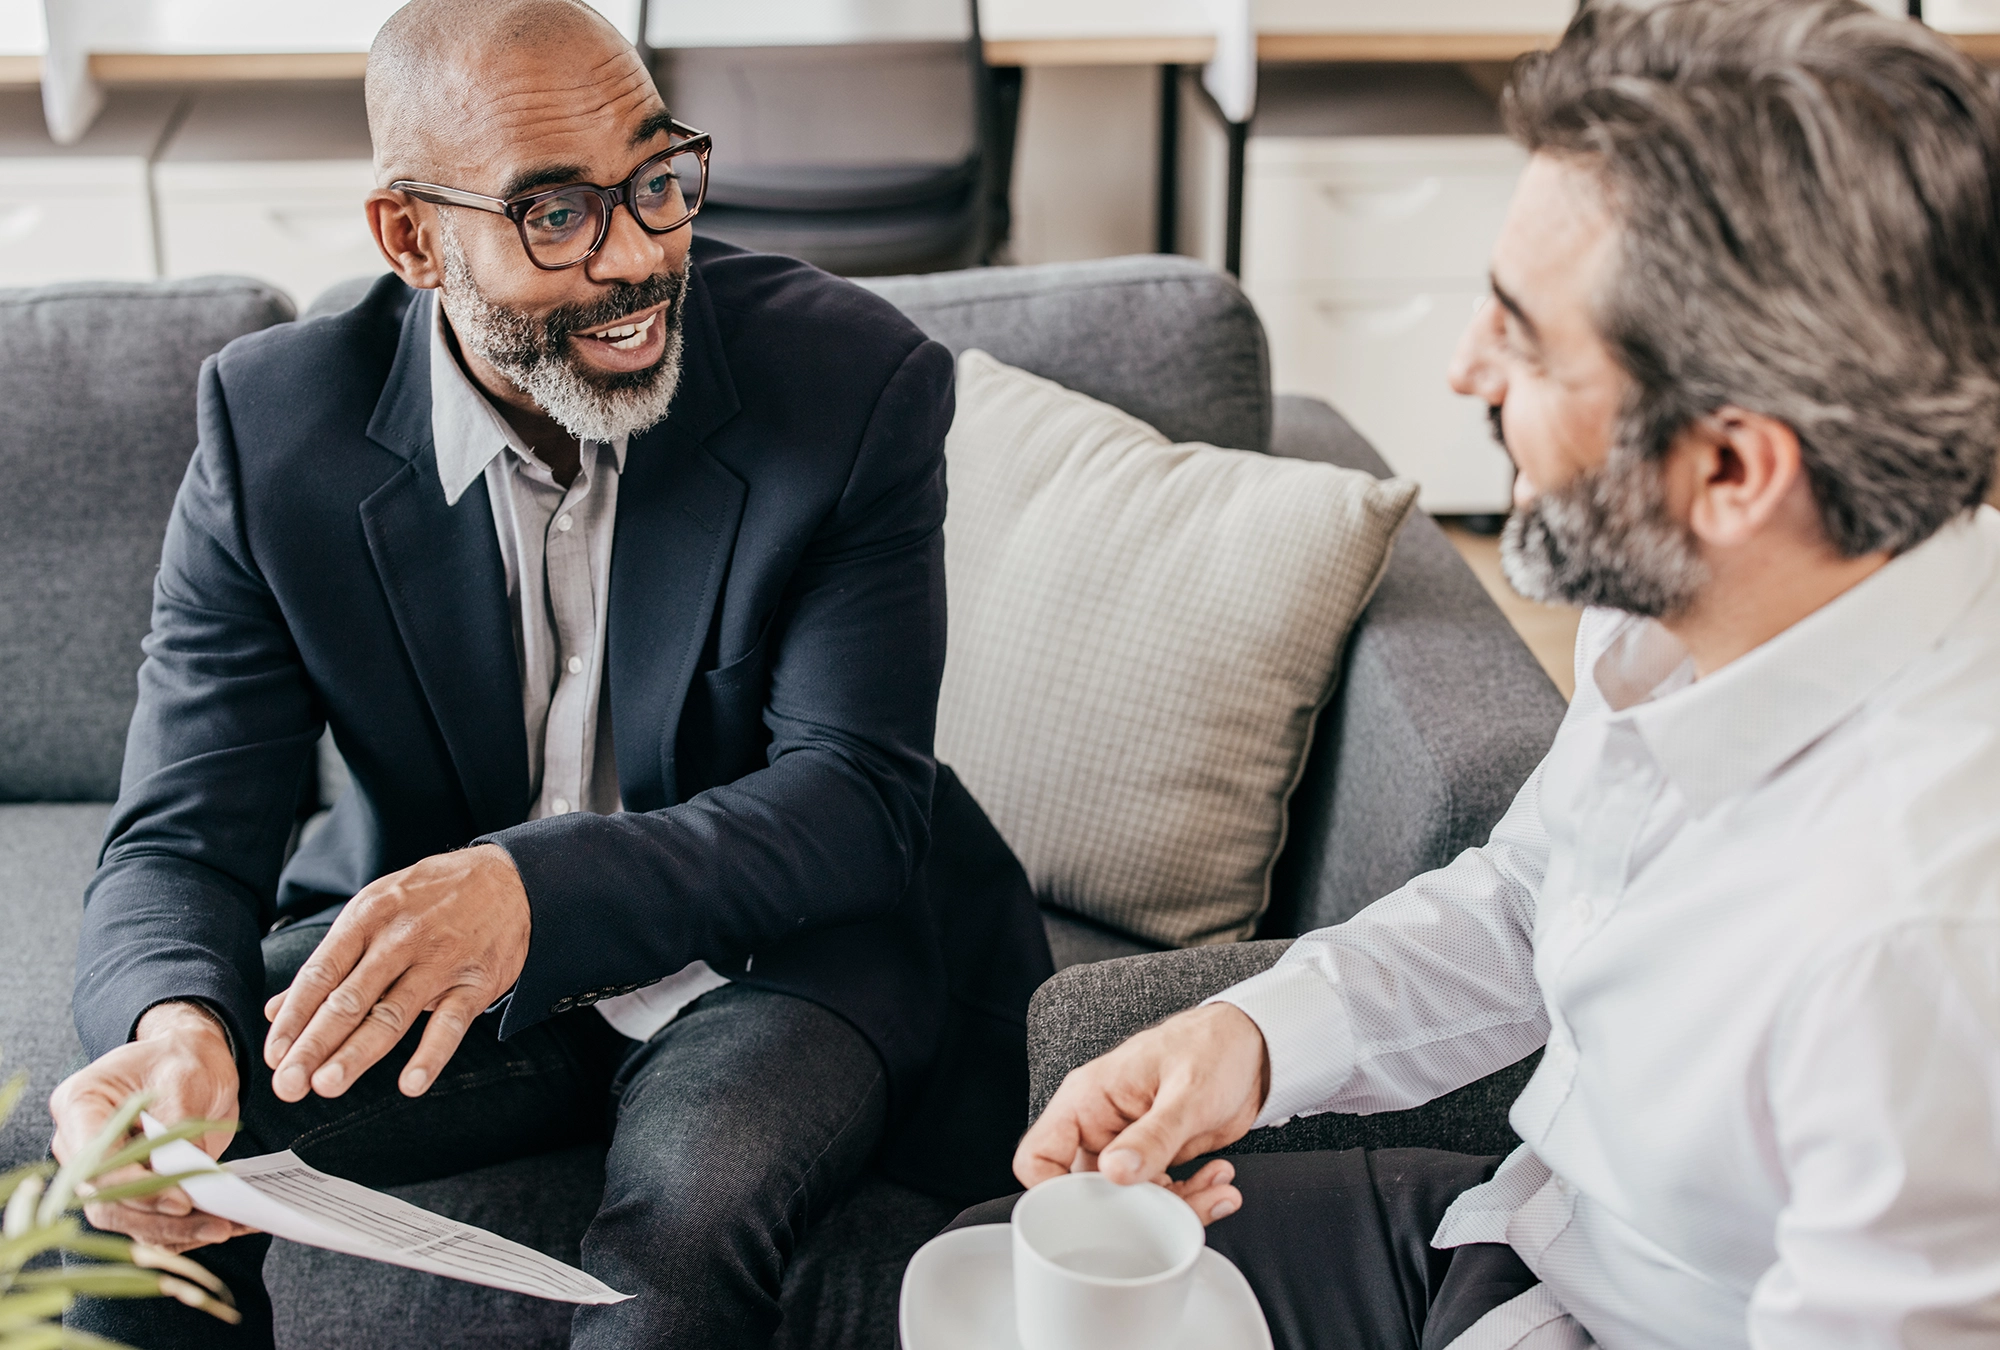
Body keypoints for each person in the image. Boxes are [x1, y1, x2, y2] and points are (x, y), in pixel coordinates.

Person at [974, 3, 2000, 1347]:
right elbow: (1530, 898)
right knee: (991, 1279)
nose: (1464, 368)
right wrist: (1251, 1042)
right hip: (1525, 1237)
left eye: (1522, 335)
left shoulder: (1915, 941)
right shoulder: (1706, 617)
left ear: (1733, 469)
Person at [49, 0, 1050, 1345]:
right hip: (453, 978)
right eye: (554, 213)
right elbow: (182, 830)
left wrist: (529, 890)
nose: (637, 255)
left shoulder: (849, 379)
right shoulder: (275, 428)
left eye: (654, 182)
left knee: (678, 1235)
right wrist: (176, 1021)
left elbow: (856, 798)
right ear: (411, 236)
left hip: (774, 955)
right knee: (89, 1171)